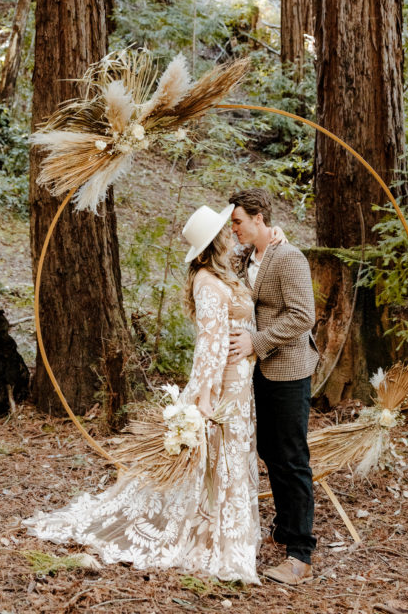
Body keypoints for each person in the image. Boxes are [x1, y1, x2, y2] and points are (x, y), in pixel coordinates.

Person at [24, 203, 261, 583]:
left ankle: (222, 533)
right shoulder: (207, 282)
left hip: (239, 384)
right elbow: (209, 347)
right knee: (217, 460)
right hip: (220, 389)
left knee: (228, 459)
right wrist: (203, 399)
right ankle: (209, 539)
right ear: (211, 243)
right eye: (223, 231)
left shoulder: (225, 275)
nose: (229, 234)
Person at [228, 187, 318, 586]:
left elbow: (303, 316)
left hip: (288, 370)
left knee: (291, 457)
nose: (234, 229)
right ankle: (283, 529)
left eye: (238, 222)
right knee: (269, 449)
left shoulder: (290, 258)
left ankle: (300, 553)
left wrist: (257, 342)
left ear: (259, 219)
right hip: (260, 372)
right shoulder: (247, 255)